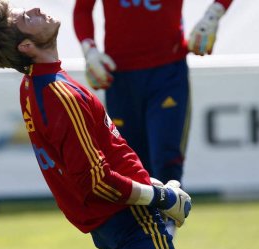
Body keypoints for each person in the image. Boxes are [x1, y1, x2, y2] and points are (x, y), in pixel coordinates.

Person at [0, 1, 191, 249]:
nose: (35, 10)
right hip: (131, 218)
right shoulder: (60, 93)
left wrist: (147, 181)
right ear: (26, 47)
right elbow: (97, 182)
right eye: (26, 18)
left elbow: (91, 160)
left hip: (107, 225)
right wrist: (161, 196)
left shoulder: (32, 86)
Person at [73, 0, 233, 188]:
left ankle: (168, 217)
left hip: (167, 72)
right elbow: (82, 8)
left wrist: (213, 15)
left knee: (166, 161)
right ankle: (144, 218)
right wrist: (89, 50)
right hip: (121, 76)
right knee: (130, 167)